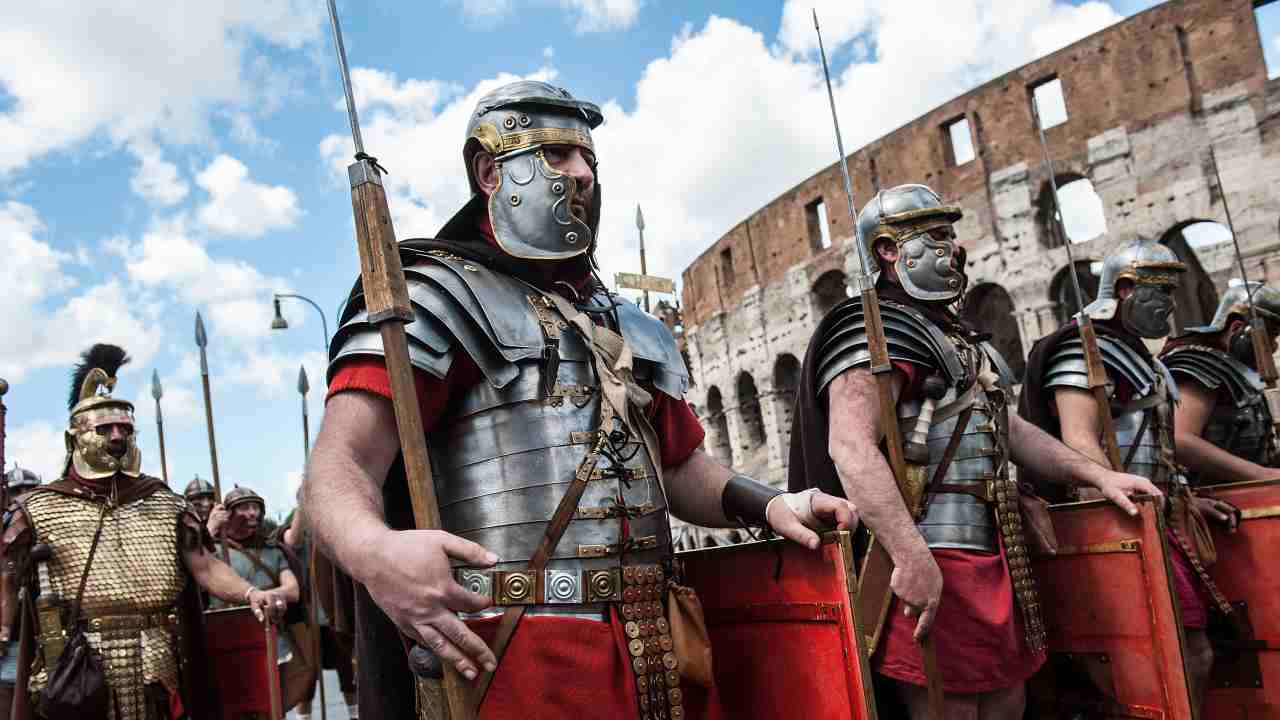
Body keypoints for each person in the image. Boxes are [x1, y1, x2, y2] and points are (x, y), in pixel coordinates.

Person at [304, 80, 858, 719]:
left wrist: (772, 505)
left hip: (656, 640)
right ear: (490, 171)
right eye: (560, 154)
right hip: (514, 651)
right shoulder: (435, 299)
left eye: (590, 158)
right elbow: (338, 467)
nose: (585, 173)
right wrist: (374, 552)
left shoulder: (625, 324)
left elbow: (678, 470)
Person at [788, 185, 1161, 720]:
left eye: (951, 234)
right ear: (890, 250)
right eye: (937, 235)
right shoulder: (872, 327)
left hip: (993, 547)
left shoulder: (956, 335)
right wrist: (913, 558)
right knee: (954, 709)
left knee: (1009, 703)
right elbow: (849, 447)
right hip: (930, 547)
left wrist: (1099, 477)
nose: (954, 248)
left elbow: (1005, 427)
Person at [0, 344, 288, 720]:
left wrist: (251, 592)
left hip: (158, 655)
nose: (118, 436)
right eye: (105, 428)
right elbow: (6, 576)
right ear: (77, 437)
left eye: (125, 428)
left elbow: (205, 567)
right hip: (77, 662)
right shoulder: (38, 508)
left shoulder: (164, 501)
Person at [1018, 237, 1233, 712]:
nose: (1171, 306)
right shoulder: (1083, 351)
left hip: (1158, 515)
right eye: (1163, 293)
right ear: (1128, 288)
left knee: (1191, 653)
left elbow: (1151, 444)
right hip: (1123, 523)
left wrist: (1184, 498)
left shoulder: (1135, 352)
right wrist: (1122, 505)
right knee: (1162, 659)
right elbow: (1079, 440)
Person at [1161, 280, 1280, 487]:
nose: (1273, 346)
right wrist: (1262, 474)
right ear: (1237, 327)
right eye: (1270, 335)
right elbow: (1180, 439)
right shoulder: (1201, 363)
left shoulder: (1234, 371)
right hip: (1213, 499)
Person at [280, 504, 357, 720]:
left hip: (337, 620)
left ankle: (356, 716)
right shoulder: (299, 543)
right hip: (307, 623)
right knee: (306, 683)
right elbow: (291, 539)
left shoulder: (333, 539)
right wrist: (305, 500)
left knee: (350, 677)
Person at [0, 467, 41, 718]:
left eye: (29, 490)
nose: (23, 496)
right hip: (10, 635)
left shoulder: (52, 525)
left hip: (43, 627)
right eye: (17, 491)